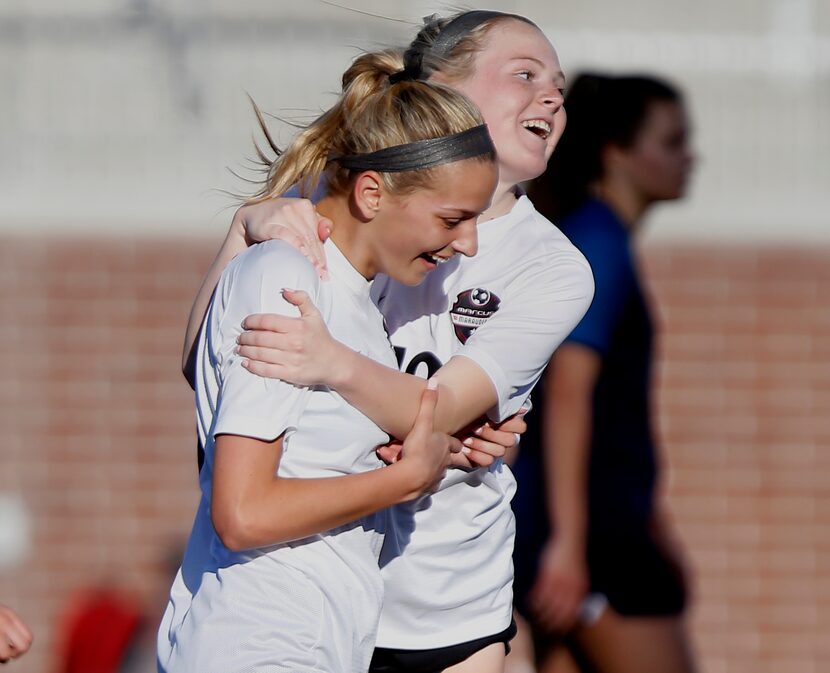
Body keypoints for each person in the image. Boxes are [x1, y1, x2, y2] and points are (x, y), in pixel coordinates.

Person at [189, 12, 595, 672]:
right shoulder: (337, 213)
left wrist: (346, 374)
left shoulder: (553, 266)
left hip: (441, 607)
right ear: (439, 88)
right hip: (311, 600)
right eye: (525, 75)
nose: (551, 95)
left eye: (558, 85)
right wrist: (244, 229)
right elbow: (208, 365)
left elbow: (436, 407)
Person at [157, 49, 500, 673]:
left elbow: (206, 374)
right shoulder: (289, 278)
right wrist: (401, 480)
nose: (469, 244)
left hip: (318, 642)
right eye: (454, 219)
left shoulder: (357, 307)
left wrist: (451, 442)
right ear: (371, 193)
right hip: (259, 643)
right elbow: (240, 513)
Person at [509, 73, 697, 673]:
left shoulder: (600, 236)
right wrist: (568, 545)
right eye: (672, 141)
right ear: (617, 152)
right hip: (592, 539)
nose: (689, 157)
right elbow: (568, 390)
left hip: (592, 526)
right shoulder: (597, 243)